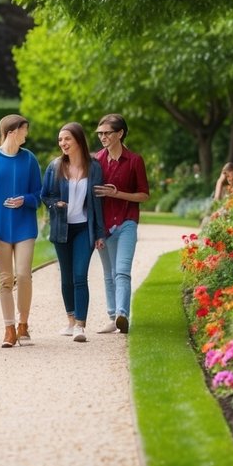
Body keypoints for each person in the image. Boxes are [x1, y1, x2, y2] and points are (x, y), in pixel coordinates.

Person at [0, 114, 42, 348]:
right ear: (12, 131)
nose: (26, 134)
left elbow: (39, 193)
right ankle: (9, 330)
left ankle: (23, 324)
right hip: (0, 228)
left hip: (25, 226)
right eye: (24, 130)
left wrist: (24, 200)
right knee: (5, 280)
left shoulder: (30, 159)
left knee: (23, 275)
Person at [41, 122, 104, 343]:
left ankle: (80, 325)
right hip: (61, 228)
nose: (63, 143)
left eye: (67, 139)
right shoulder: (55, 166)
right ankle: (70, 320)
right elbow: (45, 195)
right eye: (60, 140)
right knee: (66, 277)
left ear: (78, 140)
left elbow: (98, 204)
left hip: (83, 229)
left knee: (79, 276)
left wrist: (99, 233)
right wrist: (55, 204)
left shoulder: (94, 167)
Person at [93, 113, 149, 334]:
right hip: (103, 225)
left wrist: (118, 194)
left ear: (120, 134)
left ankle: (122, 315)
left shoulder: (135, 161)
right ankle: (112, 316)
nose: (103, 137)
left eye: (107, 133)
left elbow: (144, 195)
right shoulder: (96, 161)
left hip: (127, 222)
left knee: (122, 271)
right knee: (108, 274)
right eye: (100, 134)